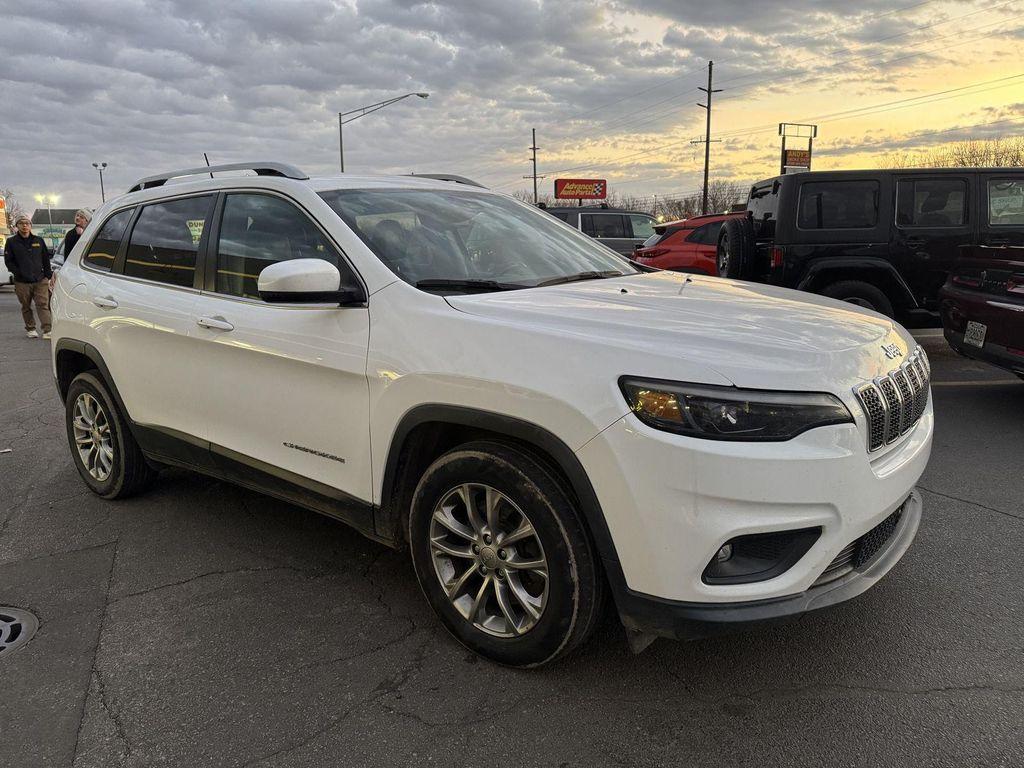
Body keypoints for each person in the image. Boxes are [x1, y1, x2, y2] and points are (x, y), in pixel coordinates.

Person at [3, 214, 53, 339]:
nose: (24, 226)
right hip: (22, 282)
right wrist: (18, 273)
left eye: (27, 223)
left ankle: (47, 329)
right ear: (17, 226)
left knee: (43, 304)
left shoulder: (38, 240)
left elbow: (45, 259)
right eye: (21, 223)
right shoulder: (11, 242)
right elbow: (9, 261)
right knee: (26, 305)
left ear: (31, 226)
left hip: (40, 279)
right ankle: (30, 328)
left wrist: (48, 275)